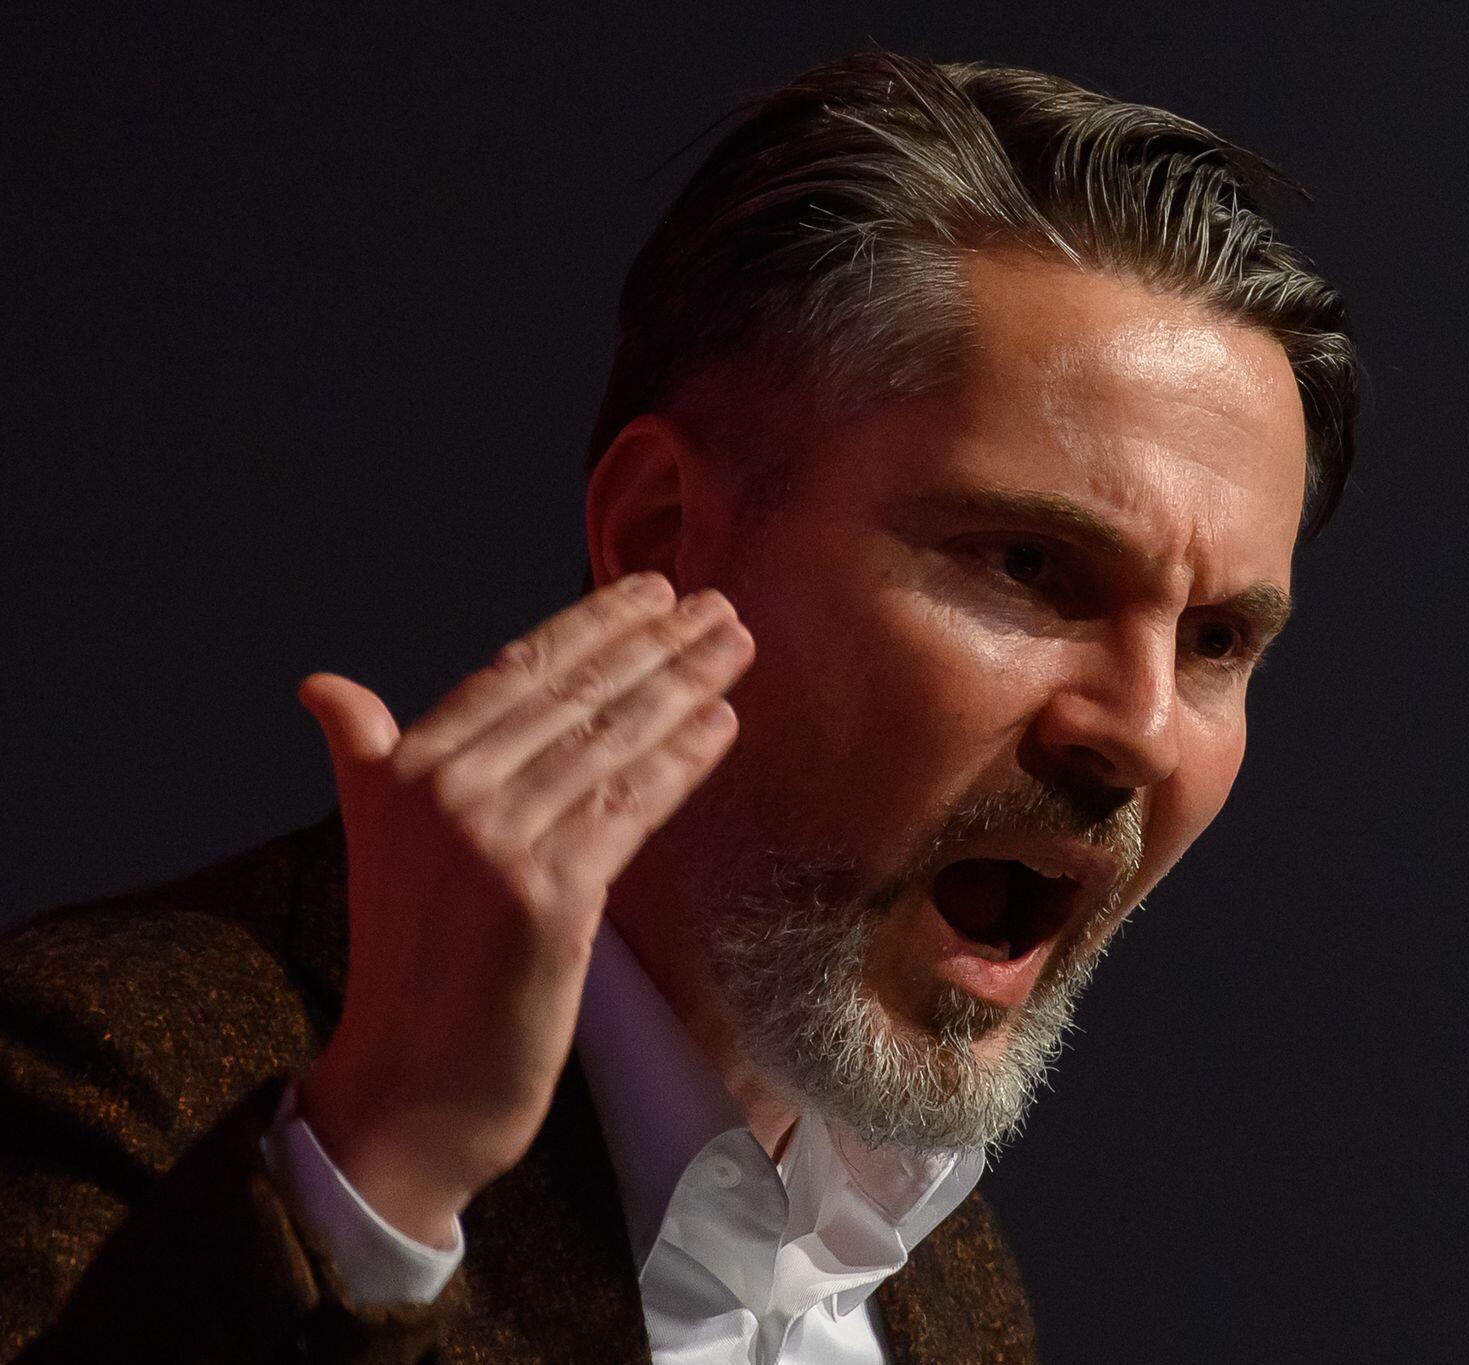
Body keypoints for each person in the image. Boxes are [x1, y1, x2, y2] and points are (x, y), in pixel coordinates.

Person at [0, 48, 1357, 1365]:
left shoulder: (943, 1281)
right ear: (662, 536)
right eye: (1030, 567)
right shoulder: (120, 1078)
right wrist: (378, 1176)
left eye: (1219, 639)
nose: (1139, 729)